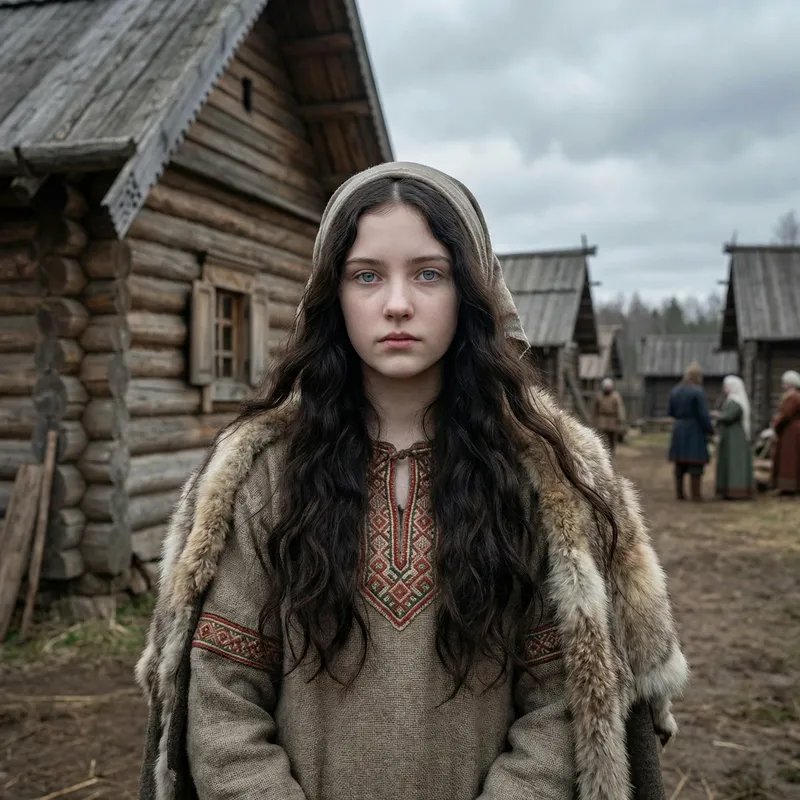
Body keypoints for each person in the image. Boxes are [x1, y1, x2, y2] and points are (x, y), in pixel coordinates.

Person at [136, 163, 687, 800]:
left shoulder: (541, 478)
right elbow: (223, 696)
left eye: (429, 273)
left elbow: (566, 699)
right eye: (366, 275)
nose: (397, 303)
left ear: (470, 293)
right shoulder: (264, 475)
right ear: (333, 295)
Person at [668, 362, 714, 501]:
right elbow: (703, 414)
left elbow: (671, 411)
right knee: (696, 463)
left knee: (680, 464)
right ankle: (696, 494)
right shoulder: (698, 391)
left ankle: (680, 493)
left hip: (679, 428)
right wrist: (709, 429)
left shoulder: (675, 390)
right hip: (695, 429)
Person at [714, 375, 754, 500]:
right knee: (727, 460)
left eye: (727, 385)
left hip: (736, 437)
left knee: (735, 462)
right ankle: (726, 489)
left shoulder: (737, 402)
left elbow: (730, 416)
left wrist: (718, 416)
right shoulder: (730, 400)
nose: (724, 388)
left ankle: (737, 490)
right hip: (729, 435)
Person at [771, 370, 800, 494]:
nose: (783, 385)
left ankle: (788, 486)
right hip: (791, 429)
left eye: (785, 383)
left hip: (790, 431)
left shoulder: (792, 397)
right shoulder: (793, 396)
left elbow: (786, 414)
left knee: (789, 458)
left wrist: (776, 422)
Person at [593, 377, 627, 456]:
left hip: (612, 419)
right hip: (602, 419)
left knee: (612, 437)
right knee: (602, 436)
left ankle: (612, 451)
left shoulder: (615, 396)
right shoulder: (599, 396)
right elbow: (595, 409)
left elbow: (619, 408)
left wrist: (621, 419)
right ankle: (603, 452)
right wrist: (595, 419)